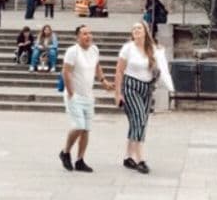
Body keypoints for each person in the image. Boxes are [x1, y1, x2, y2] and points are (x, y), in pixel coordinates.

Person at [114, 21, 174, 174]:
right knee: (139, 119)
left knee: (140, 122)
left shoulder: (152, 49)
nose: (136, 30)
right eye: (134, 28)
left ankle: (128, 157)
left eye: (139, 28)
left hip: (146, 88)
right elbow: (119, 71)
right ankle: (140, 159)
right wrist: (118, 93)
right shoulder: (128, 48)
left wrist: (160, 53)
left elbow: (160, 67)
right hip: (131, 86)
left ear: (146, 31)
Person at [59, 24, 112, 173]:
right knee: (78, 126)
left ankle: (80, 160)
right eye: (84, 34)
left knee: (86, 129)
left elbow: (97, 66)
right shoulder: (72, 51)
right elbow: (66, 72)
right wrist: (70, 92)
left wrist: (103, 81)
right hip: (74, 95)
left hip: (88, 95)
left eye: (90, 33)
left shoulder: (94, 50)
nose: (88, 36)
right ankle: (65, 152)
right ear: (78, 37)